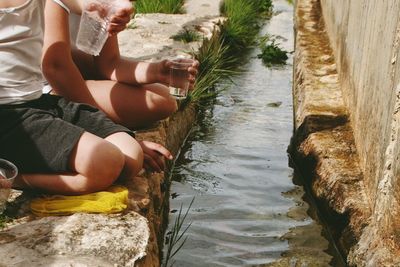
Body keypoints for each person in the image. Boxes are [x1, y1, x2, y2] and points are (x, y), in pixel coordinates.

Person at [0, 0, 172, 195]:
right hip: (8, 115)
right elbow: (55, 66)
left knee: (131, 158)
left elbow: (82, 2)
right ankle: (13, 178)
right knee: (105, 161)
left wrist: (107, 7)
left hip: (38, 102)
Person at [42, 0, 199, 130]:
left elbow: (109, 63)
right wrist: (106, 128)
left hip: (70, 67)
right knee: (160, 102)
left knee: (163, 95)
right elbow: (55, 66)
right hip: (44, 83)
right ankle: (55, 107)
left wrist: (158, 71)